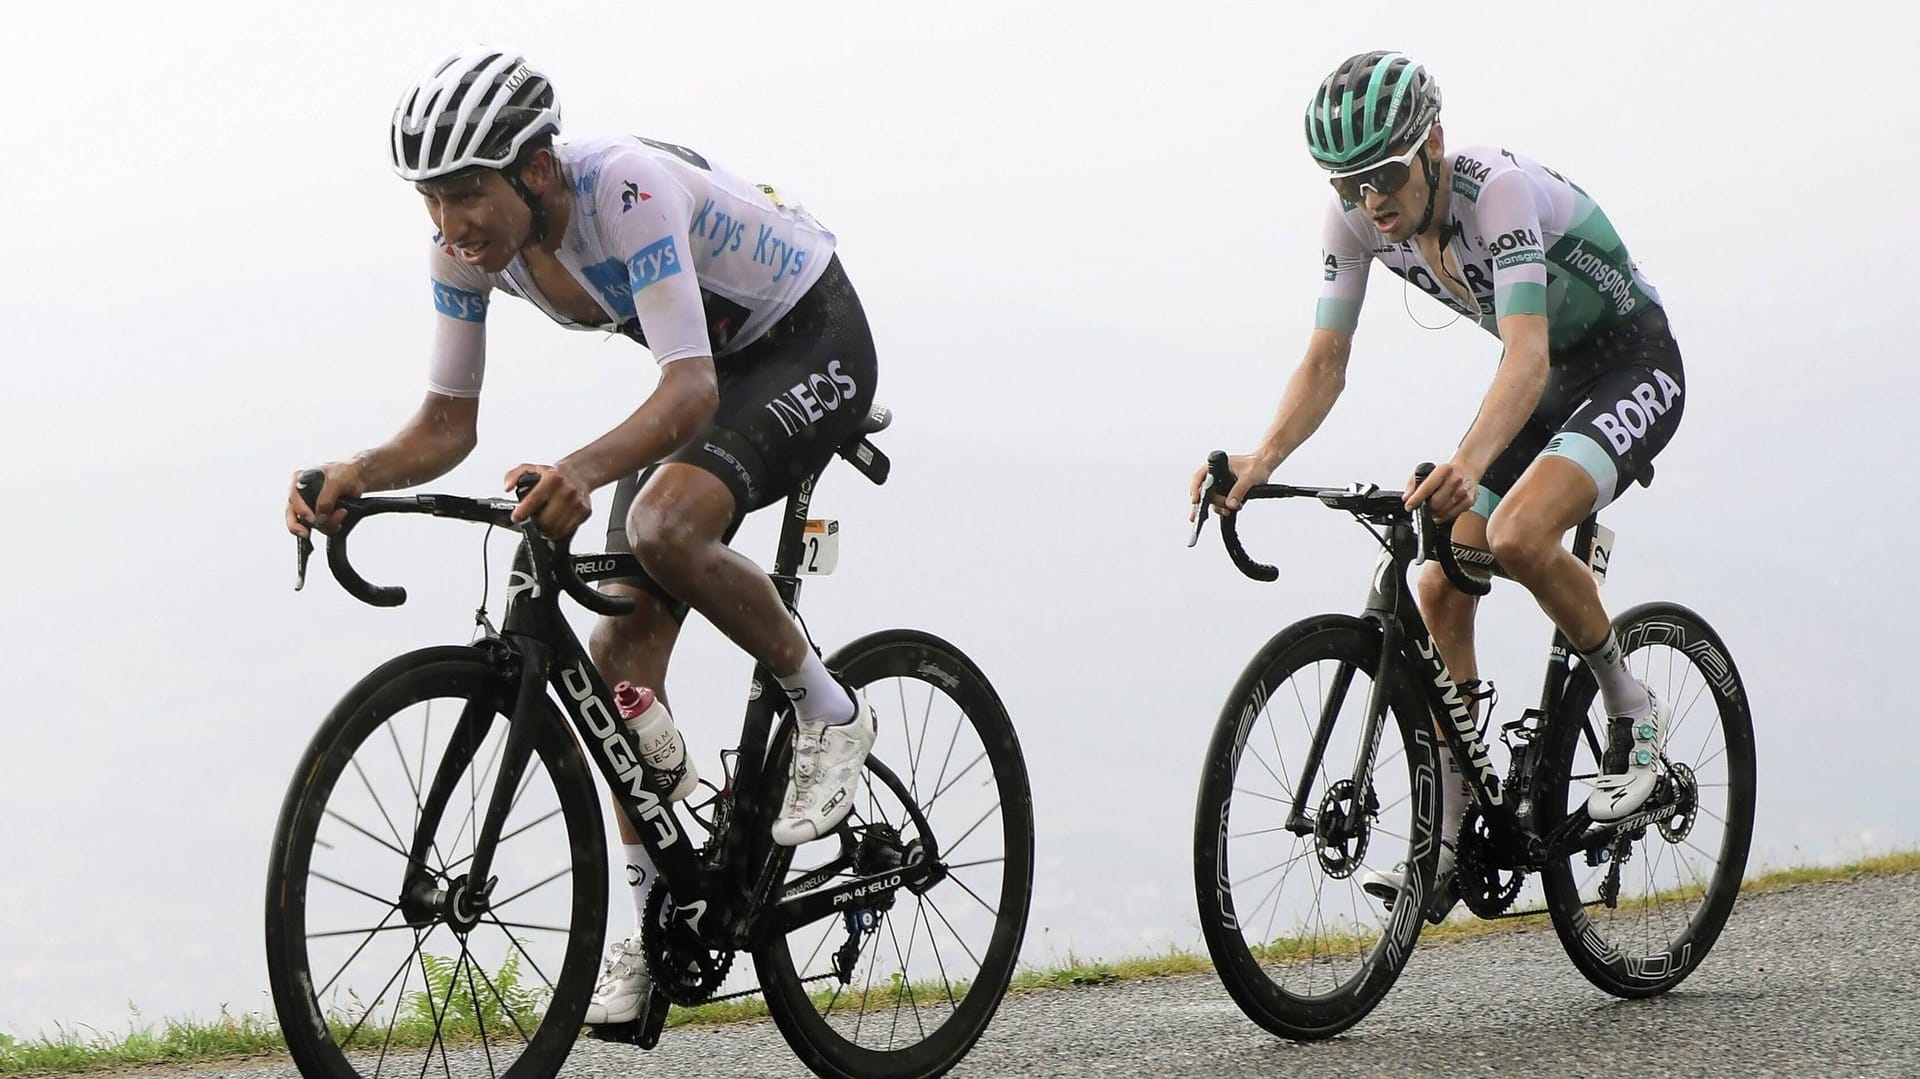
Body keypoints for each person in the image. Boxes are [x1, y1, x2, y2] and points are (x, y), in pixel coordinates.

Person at [283, 44, 879, 1024]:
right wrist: (357, 474)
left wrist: (582, 468)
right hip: (720, 372)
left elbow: (687, 388)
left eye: (466, 190)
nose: (448, 222)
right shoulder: (466, 250)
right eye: (429, 198)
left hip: (810, 333)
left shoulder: (626, 190)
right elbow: (446, 424)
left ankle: (828, 708)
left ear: (539, 170)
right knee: (614, 663)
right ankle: (655, 923)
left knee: (660, 524)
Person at [1192, 50, 1686, 912]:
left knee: (1516, 533)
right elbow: (1325, 360)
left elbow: (1526, 354)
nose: (1370, 201)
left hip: (1629, 361)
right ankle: (1453, 832)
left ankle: (1631, 706)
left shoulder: (1497, 195)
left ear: (1433, 148)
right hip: (1542, 381)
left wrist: (1466, 464)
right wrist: (1258, 461)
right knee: (1441, 585)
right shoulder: (1353, 225)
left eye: (1384, 173)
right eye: (1348, 184)